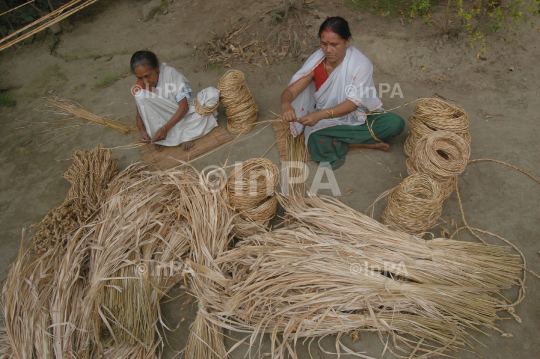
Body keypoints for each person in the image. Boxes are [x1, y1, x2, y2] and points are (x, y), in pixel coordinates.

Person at [280, 17, 405, 170]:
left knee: (395, 123)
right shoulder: (317, 64)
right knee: (316, 139)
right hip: (325, 120)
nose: (328, 50)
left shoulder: (360, 64)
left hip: (357, 115)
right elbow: (291, 91)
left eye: (334, 44)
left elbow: (353, 104)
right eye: (324, 44)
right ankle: (361, 143)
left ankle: (344, 141)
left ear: (347, 41)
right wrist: (286, 105)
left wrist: (319, 116)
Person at [131, 51, 219, 151]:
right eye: (140, 78)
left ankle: (185, 134)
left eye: (148, 76)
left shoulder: (171, 74)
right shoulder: (141, 87)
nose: (145, 81)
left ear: (156, 68)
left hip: (185, 113)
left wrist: (165, 129)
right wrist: (142, 131)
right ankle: (163, 137)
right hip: (164, 119)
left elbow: (184, 107)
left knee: (212, 95)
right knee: (140, 95)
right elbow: (139, 115)